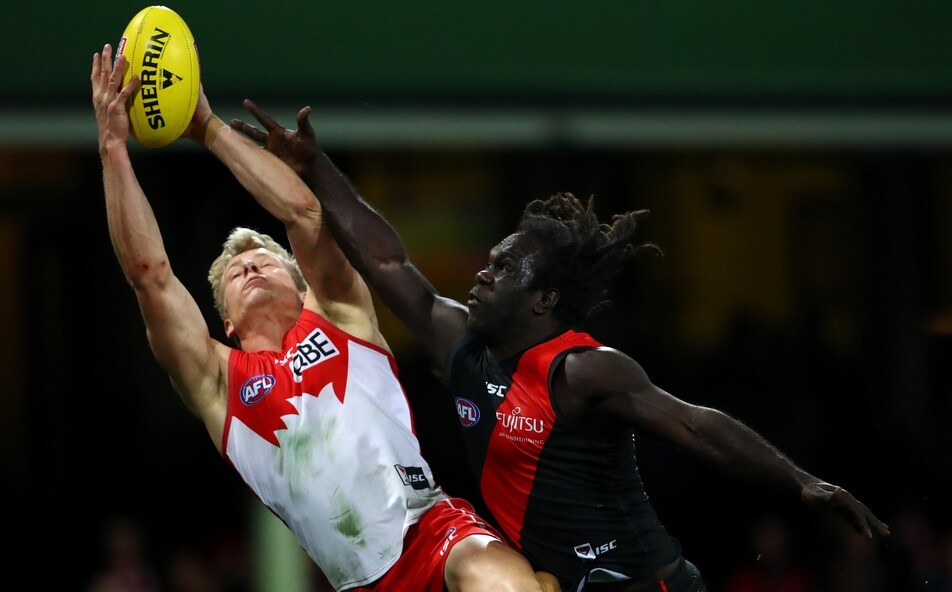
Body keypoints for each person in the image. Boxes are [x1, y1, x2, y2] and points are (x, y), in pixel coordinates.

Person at [229, 101, 893, 592]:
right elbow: (385, 260)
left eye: (503, 270)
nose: (482, 275)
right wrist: (316, 167)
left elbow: (697, 426)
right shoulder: (458, 341)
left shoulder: (582, 371)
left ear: (543, 299)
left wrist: (801, 482)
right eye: (488, 262)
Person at [91, 43, 560, 592]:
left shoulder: (339, 314)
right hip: (360, 583)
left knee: (495, 579)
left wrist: (208, 128)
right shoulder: (217, 382)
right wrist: (112, 147)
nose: (251, 268)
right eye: (237, 273)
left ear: (302, 286)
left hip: (434, 531)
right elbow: (150, 275)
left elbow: (304, 213)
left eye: (265, 261)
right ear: (228, 325)